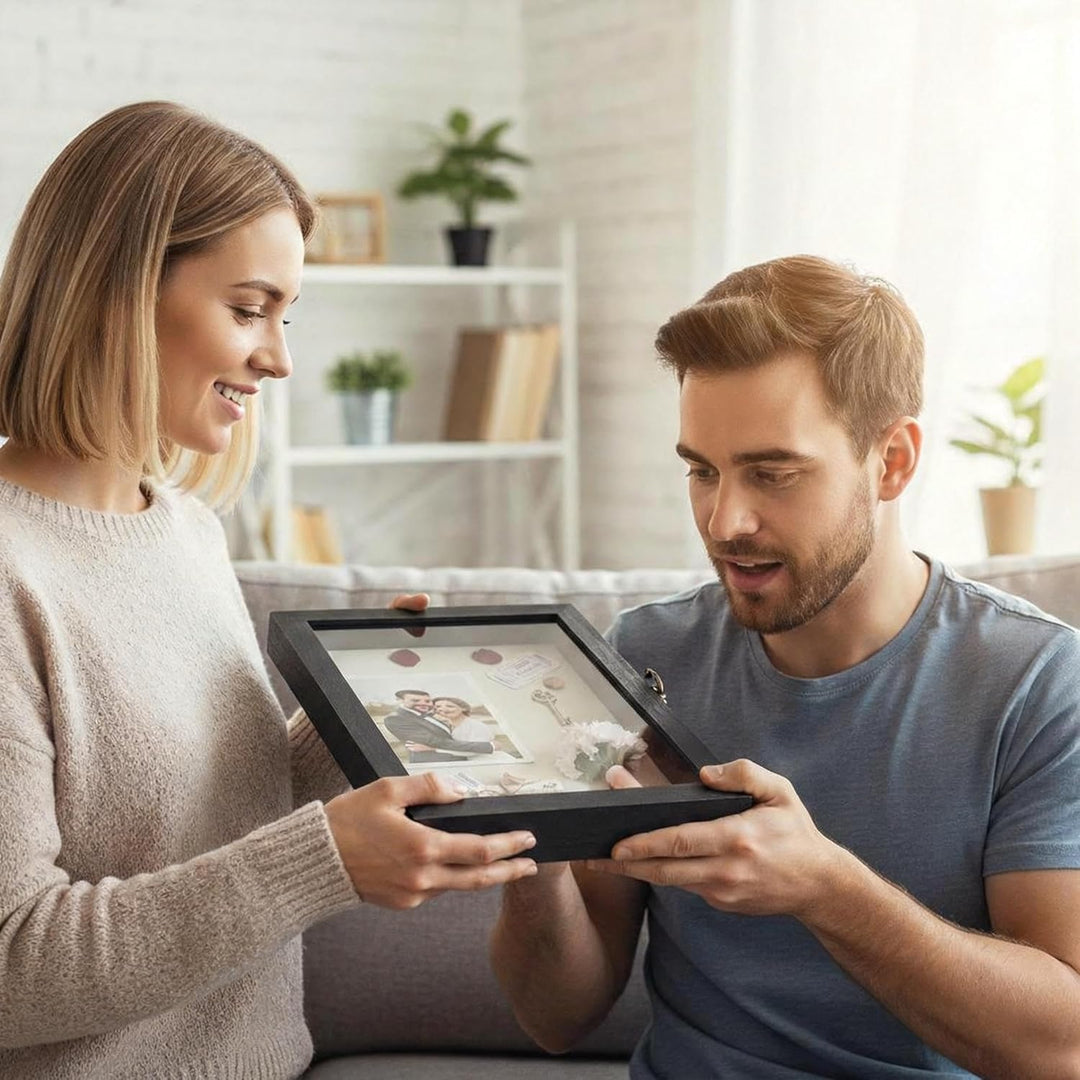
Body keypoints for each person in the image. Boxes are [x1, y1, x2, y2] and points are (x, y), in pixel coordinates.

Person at [0, 101, 537, 1079]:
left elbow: (216, 811)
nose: (279, 357)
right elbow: (12, 968)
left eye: (286, 316)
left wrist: (352, 709)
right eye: (249, 309)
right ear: (117, 292)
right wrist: (320, 861)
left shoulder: (189, 533)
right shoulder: (11, 571)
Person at [489, 255, 1080, 1078]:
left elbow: (1063, 1047)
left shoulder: (1038, 683)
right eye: (702, 470)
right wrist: (532, 855)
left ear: (894, 461)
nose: (725, 520)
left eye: (774, 473)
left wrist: (823, 888)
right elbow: (557, 1018)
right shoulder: (647, 657)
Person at [384, 689, 494, 761]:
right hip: (431, 762)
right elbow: (435, 741)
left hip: (460, 759)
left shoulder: (429, 715)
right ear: (400, 700)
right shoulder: (396, 718)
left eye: (427, 701)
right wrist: (488, 747)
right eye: (415, 700)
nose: (423, 703)